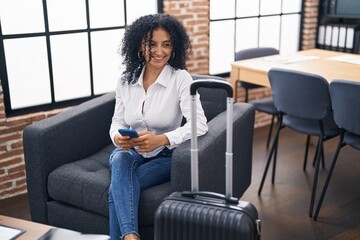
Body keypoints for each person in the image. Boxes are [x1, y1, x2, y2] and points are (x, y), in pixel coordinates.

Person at [108, 14, 208, 240]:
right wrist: (117, 137)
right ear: (139, 45)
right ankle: (131, 237)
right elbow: (117, 122)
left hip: (165, 156)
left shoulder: (181, 79)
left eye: (166, 45)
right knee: (120, 158)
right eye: (151, 44)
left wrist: (162, 139)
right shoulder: (126, 80)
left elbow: (199, 124)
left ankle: (127, 237)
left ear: (174, 48)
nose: (159, 51)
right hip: (131, 152)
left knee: (118, 189)